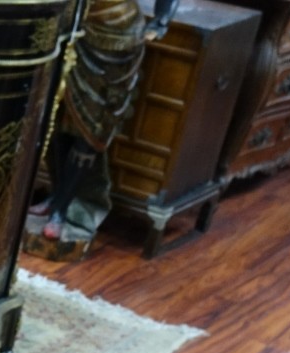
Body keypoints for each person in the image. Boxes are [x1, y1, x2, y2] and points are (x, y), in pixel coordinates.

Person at [31, 0, 179, 243]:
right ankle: (55, 196)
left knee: (90, 129)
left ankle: (62, 209)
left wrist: (161, 20)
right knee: (58, 120)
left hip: (117, 40)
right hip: (75, 32)